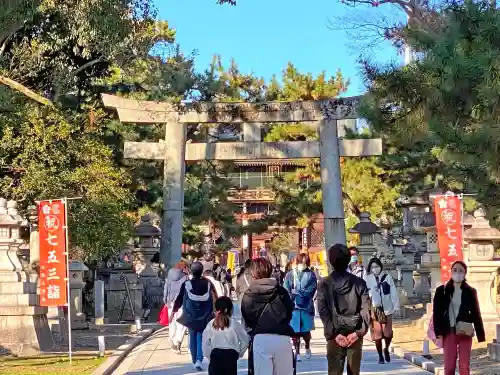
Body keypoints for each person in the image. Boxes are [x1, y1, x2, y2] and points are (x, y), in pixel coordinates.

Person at [317, 244, 370, 375]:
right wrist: (359, 332)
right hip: (355, 333)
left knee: (334, 372)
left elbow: (323, 311)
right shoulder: (360, 283)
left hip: (335, 334)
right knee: (354, 372)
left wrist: (333, 333)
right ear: (348, 260)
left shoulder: (324, 284)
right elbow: (366, 310)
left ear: (330, 261)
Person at [241, 258, 295, 375]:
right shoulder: (281, 292)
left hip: (261, 338)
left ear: (253, 273)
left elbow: (247, 318)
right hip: (282, 338)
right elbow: (290, 311)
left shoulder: (249, 294)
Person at [433, 261, 485, 375]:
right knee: (449, 366)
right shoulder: (442, 290)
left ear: (465, 274)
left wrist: (480, 334)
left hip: (464, 331)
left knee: (464, 366)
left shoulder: (470, 291)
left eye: (461, 270)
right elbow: (436, 312)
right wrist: (438, 331)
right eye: (455, 270)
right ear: (451, 272)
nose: (457, 273)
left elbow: (476, 312)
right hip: (449, 331)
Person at [171, 261, 217, 371]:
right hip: (204, 314)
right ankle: (199, 359)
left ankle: (193, 359)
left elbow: (179, 299)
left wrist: (174, 311)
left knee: (192, 337)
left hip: (190, 314)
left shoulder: (187, 284)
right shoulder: (208, 284)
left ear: (192, 271)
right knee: (201, 336)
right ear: (201, 272)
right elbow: (215, 297)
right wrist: (217, 310)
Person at [364, 257, 400, 364]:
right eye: (373, 267)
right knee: (377, 334)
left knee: (388, 333)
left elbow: (393, 291)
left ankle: (386, 349)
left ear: (380, 267)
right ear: (370, 268)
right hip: (374, 309)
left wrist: (396, 305)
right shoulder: (367, 278)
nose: (375, 269)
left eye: (377, 266)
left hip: (387, 308)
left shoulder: (387, 277)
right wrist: (371, 292)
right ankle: (380, 355)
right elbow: (365, 294)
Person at [202, 296, 249, 375]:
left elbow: (205, 342)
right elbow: (245, 340)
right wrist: (239, 353)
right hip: (230, 357)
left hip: (215, 356)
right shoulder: (234, 324)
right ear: (230, 310)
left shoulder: (211, 324)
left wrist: (209, 356)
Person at [284, 253, 317, 362]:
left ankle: (307, 346)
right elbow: (286, 288)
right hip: (294, 307)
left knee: (306, 331)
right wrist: (291, 296)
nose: (302, 264)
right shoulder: (290, 274)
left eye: (305, 263)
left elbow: (312, 290)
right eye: (301, 262)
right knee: (295, 331)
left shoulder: (312, 275)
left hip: (306, 306)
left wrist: (300, 293)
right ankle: (297, 352)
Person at [164, 261, 189, 354]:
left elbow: (166, 288)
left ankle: (173, 341)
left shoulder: (169, 275)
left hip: (170, 302)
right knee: (181, 323)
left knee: (172, 322)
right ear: (184, 268)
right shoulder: (185, 277)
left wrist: (165, 300)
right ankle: (178, 342)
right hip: (181, 303)